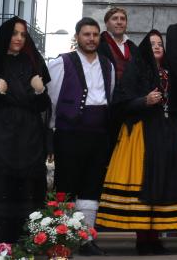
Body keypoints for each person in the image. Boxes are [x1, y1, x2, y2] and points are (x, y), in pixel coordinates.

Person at [95, 30, 177, 255]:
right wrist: (144, 100)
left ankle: (156, 239)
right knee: (144, 182)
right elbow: (120, 105)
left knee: (163, 183)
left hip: (169, 133)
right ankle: (143, 240)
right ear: (145, 48)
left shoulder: (172, 73)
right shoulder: (135, 72)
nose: (157, 46)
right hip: (142, 134)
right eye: (152, 43)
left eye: (160, 43)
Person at [0, 18, 51, 243]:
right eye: (15, 33)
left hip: (27, 138)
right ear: (6, 34)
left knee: (25, 188)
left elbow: (43, 106)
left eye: (23, 35)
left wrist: (40, 91)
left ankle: (26, 242)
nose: (19, 38)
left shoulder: (32, 62)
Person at [47, 17, 115, 256]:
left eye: (95, 34)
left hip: (98, 134)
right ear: (77, 37)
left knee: (92, 187)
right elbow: (52, 98)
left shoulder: (108, 65)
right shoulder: (62, 63)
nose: (91, 39)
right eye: (86, 34)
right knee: (66, 185)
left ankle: (86, 238)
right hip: (69, 133)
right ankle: (64, 237)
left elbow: (110, 96)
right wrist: (55, 130)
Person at [97, 7, 138, 82]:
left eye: (122, 19)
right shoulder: (98, 45)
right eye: (115, 18)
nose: (119, 22)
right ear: (107, 23)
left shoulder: (133, 48)